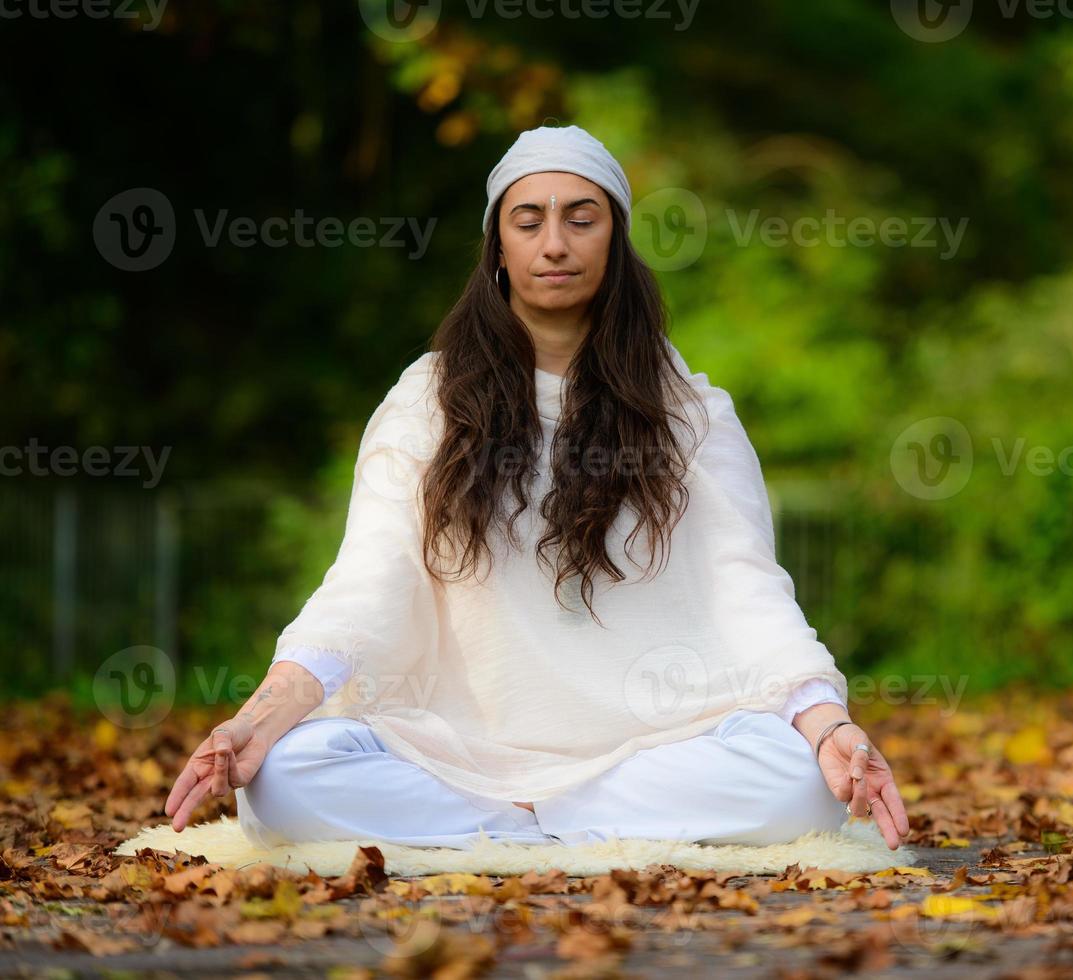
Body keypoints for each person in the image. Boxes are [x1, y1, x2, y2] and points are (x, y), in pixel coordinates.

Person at [163, 124, 911, 851]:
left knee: (800, 781)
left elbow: (747, 589)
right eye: (530, 221)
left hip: (647, 744)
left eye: (581, 219)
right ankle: (544, 824)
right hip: (455, 750)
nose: (555, 243)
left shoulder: (690, 414)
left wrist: (828, 725)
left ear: (615, 243)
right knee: (285, 778)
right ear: (499, 247)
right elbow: (367, 582)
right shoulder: (429, 400)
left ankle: (524, 825)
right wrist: (258, 720)